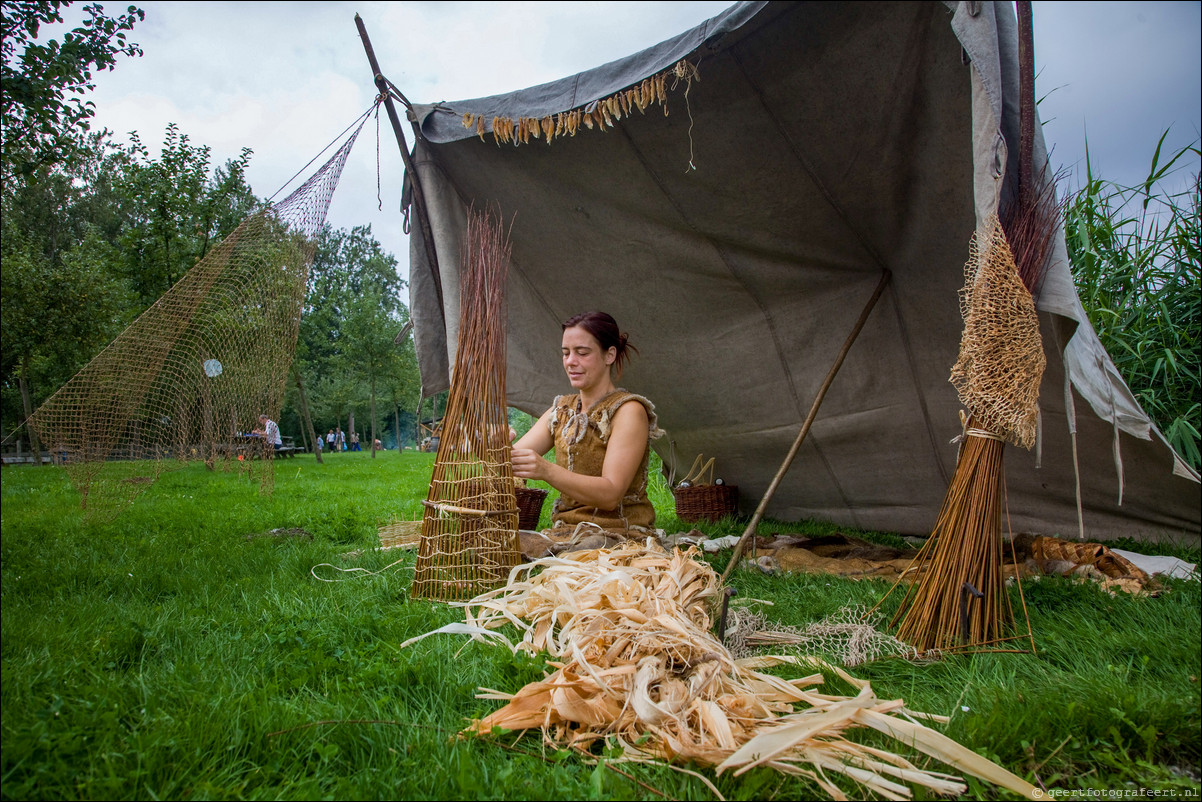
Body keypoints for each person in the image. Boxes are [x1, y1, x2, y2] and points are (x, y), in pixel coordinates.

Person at [511, 311, 661, 536]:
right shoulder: (561, 410)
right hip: (566, 531)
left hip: (619, 533)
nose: (571, 361)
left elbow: (610, 495)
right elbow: (512, 461)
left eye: (582, 353)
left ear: (609, 355)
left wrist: (546, 470)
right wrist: (495, 444)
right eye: (565, 353)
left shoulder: (628, 411)